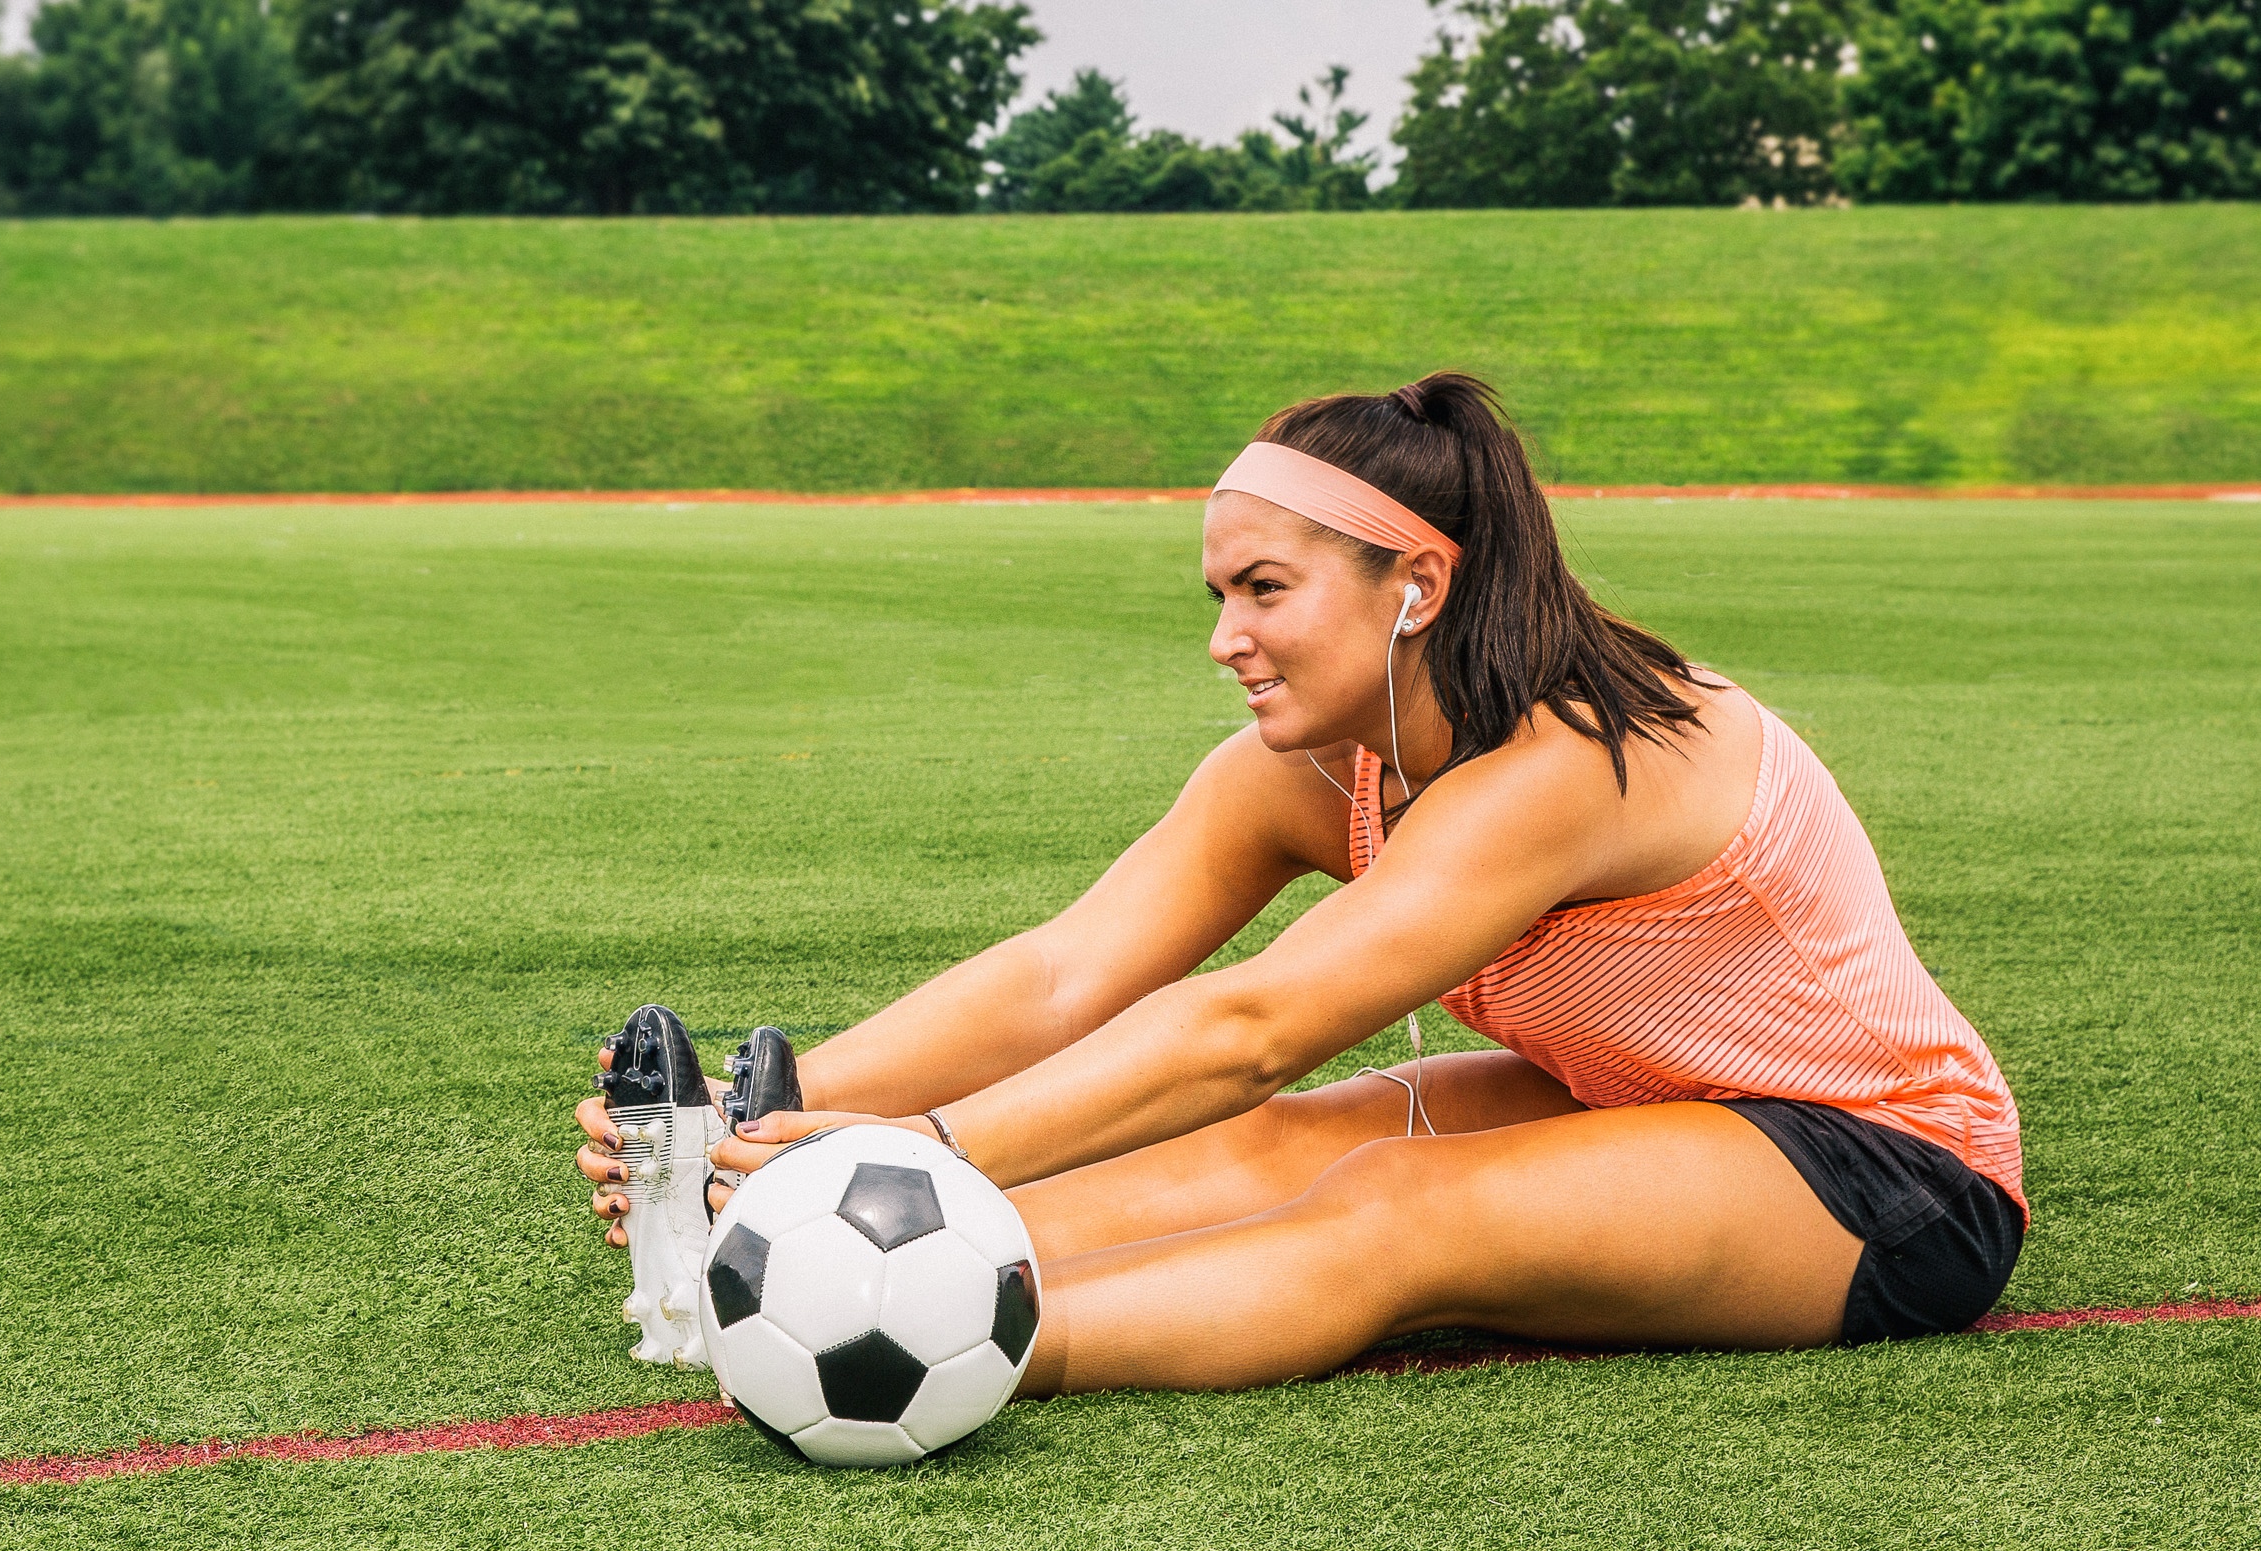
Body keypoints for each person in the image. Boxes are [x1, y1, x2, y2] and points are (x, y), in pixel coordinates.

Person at [574, 372, 2025, 1397]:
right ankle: (804, 1275)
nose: (1227, 637)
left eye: (1265, 589)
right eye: (1220, 595)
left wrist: (916, 1159)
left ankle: (941, 1338)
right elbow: (1067, 974)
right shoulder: (1315, 762)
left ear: (1418, 585)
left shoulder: (1575, 757)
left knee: (1396, 1205)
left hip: (1885, 1170)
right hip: (1642, 1102)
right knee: (1267, 1152)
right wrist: (764, 1123)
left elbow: (1250, 1022)